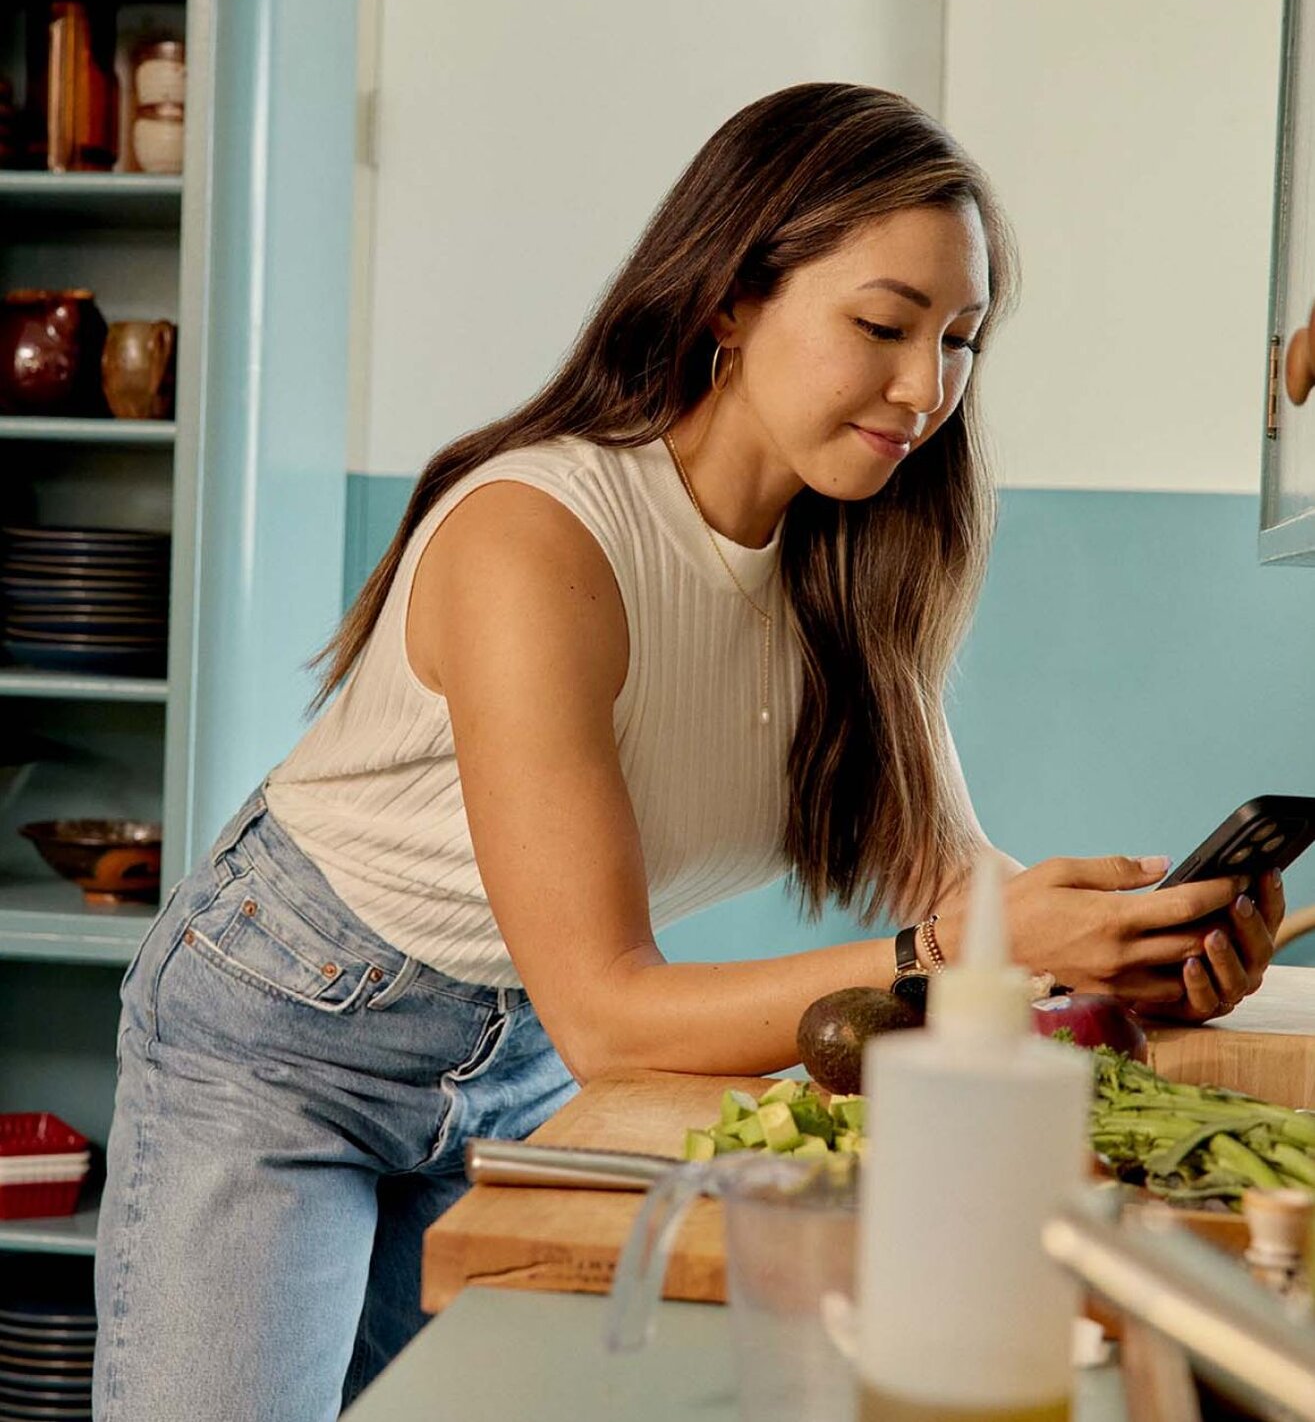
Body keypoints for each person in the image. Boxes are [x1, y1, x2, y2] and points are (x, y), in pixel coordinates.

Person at [92, 82, 1283, 1421]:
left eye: (963, 340)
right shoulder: (539, 540)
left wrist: (1126, 957)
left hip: (521, 1057)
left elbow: (959, 896)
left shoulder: (854, 569)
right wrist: (966, 961)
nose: (927, 388)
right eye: (884, 325)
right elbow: (615, 1007)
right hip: (288, 1034)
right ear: (728, 299)